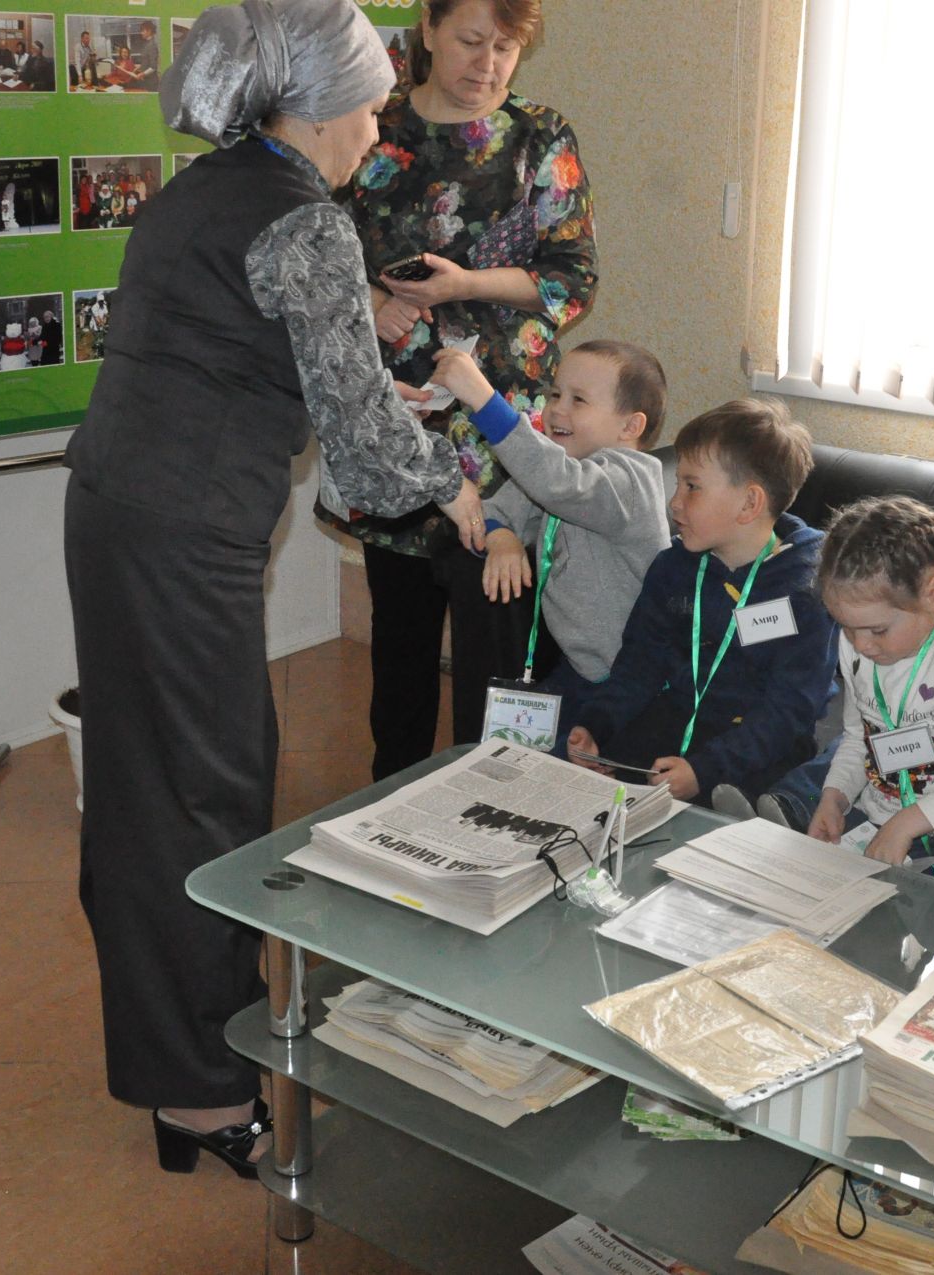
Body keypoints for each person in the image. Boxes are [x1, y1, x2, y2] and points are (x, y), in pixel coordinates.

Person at [63, 0, 482, 1181]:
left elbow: (231, 347)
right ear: (317, 104)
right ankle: (197, 1095)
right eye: (370, 101)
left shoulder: (205, 187)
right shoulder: (308, 228)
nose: (377, 121)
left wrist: (358, 328)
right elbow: (365, 456)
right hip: (180, 534)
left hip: (116, 512)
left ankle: (184, 1051)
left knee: (156, 785)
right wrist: (449, 481)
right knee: (200, 795)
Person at [327, 0, 598, 782]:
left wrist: (467, 283)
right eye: (472, 42)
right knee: (401, 650)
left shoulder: (540, 137)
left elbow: (573, 280)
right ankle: (392, 807)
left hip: (502, 436)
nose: (487, 65)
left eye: (506, 49)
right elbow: (323, 256)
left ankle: (490, 809)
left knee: (497, 655)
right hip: (397, 425)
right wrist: (370, 309)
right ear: (429, 31)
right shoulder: (373, 127)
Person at [565, 400, 839, 805]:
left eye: (692, 487)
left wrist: (706, 769)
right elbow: (639, 664)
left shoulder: (808, 588)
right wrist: (598, 725)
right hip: (674, 724)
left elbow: (789, 709)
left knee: (744, 804)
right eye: (678, 485)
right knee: (586, 786)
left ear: (749, 504)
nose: (675, 502)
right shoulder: (673, 567)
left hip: (758, 742)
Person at [773, 497, 934, 888]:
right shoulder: (857, 646)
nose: (861, 645)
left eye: (877, 630)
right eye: (846, 627)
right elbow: (857, 738)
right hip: (878, 818)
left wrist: (906, 823)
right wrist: (835, 797)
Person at [429, 340, 671, 749]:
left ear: (631, 427)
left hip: (636, 685)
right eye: (556, 393)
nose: (557, 408)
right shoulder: (568, 467)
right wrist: (503, 538)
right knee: (515, 757)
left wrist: (483, 399)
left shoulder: (630, 482)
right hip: (578, 671)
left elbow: (556, 483)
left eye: (579, 400)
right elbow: (495, 510)